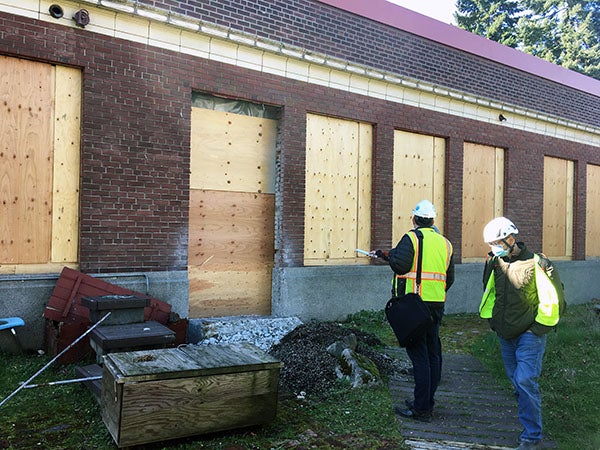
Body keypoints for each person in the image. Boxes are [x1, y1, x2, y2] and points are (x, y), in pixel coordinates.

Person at [480, 217, 565, 450]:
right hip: (505, 333)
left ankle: (531, 437)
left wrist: (537, 328)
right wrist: (493, 322)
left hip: (530, 332)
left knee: (525, 379)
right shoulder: (494, 261)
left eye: (497, 242)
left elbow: (554, 299)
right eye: (491, 244)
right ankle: (528, 417)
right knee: (517, 383)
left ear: (511, 238)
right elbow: (489, 291)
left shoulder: (538, 262)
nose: (493, 247)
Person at [371, 199, 454, 422]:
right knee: (433, 353)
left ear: (414, 219)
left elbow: (401, 265)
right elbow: (450, 278)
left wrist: (391, 257)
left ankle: (421, 409)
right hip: (437, 305)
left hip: (415, 305)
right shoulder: (445, 243)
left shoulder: (412, 238)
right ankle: (427, 402)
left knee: (419, 358)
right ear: (433, 219)